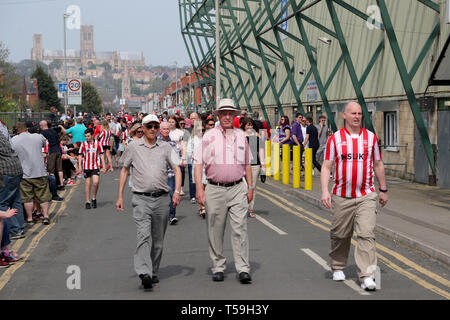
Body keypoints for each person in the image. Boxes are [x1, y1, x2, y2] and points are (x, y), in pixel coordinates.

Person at [320, 102, 388, 291]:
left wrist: (383, 190)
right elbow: (326, 166)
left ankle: (367, 275)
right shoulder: (335, 139)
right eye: (353, 113)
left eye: (359, 113)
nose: (357, 116)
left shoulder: (371, 138)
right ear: (344, 115)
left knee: (367, 234)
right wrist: (325, 191)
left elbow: (378, 164)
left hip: (366, 194)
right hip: (342, 196)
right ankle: (338, 266)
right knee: (341, 234)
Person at [116, 114, 181, 291]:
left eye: (155, 126)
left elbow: (177, 168)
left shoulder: (166, 147)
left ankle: (153, 271)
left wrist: (177, 191)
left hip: (162, 199)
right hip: (141, 198)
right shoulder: (133, 147)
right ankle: (144, 272)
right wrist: (120, 196)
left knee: (158, 241)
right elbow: (124, 170)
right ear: (142, 128)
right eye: (149, 126)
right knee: (143, 235)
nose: (153, 129)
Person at [193, 98, 253, 284]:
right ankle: (218, 266)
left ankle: (243, 268)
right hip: (214, 188)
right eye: (223, 113)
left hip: (238, 187)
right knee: (215, 230)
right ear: (218, 115)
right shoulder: (209, 136)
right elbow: (198, 163)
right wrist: (199, 189)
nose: (227, 116)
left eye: (230, 113)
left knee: (240, 229)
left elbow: (248, 164)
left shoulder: (242, 136)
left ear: (235, 115)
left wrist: (250, 187)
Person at [11, 123, 52, 225]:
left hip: (25, 173)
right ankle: (45, 216)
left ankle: (29, 218)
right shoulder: (38, 137)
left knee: (27, 197)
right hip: (39, 171)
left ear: (17, 131)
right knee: (43, 195)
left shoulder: (14, 140)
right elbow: (45, 144)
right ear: (26, 129)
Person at [0, 130, 25, 243]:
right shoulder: (1, 134)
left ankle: (15, 230)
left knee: (2, 203)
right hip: (16, 167)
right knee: (15, 200)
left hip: (5, 170)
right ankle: (20, 226)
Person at [240, 118, 265, 218]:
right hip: (242, 165)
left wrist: (263, 165)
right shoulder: (240, 136)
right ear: (244, 126)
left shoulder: (257, 136)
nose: (250, 127)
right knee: (242, 187)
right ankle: (241, 207)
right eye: (248, 125)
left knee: (252, 187)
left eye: (251, 125)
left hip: (255, 165)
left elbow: (261, 150)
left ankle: (250, 209)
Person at [77, 128, 106, 209]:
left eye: (88, 136)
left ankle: (93, 198)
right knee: (88, 184)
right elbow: (80, 155)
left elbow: (101, 154)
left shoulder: (98, 143)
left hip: (95, 166)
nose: (87, 138)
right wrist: (79, 166)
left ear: (92, 135)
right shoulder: (83, 144)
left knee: (96, 182)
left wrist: (103, 166)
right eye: (85, 136)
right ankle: (87, 201)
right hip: (86, 167)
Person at [158, 122, 180, 225]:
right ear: (160, 130)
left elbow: (175, 157)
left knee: (172, 195)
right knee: (160, 196)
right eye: (164, 129)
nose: (166, 130)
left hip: (171, 173)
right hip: (159, 174)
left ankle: (172, 215)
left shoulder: (173, 143)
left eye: (168, 129)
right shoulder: (156, 143)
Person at [186, 120, 206, 217]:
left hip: (207, 164)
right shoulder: (192, 139)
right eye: (199, 130)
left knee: (206, 186)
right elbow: (189, 152)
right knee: (200, 185)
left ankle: (204, 205)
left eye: (202, 130)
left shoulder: (207, 138)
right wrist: (194, 156)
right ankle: (202, 207)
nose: (201, 132)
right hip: (197, 164)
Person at [39, 120, 64, 191]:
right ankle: (61, 184)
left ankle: (53, 187)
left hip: (51, 151)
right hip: (58, 150)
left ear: (42, 126)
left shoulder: (42, 133)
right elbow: (58, 140)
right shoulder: (53, 131)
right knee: (59, 169)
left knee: (51, 170)